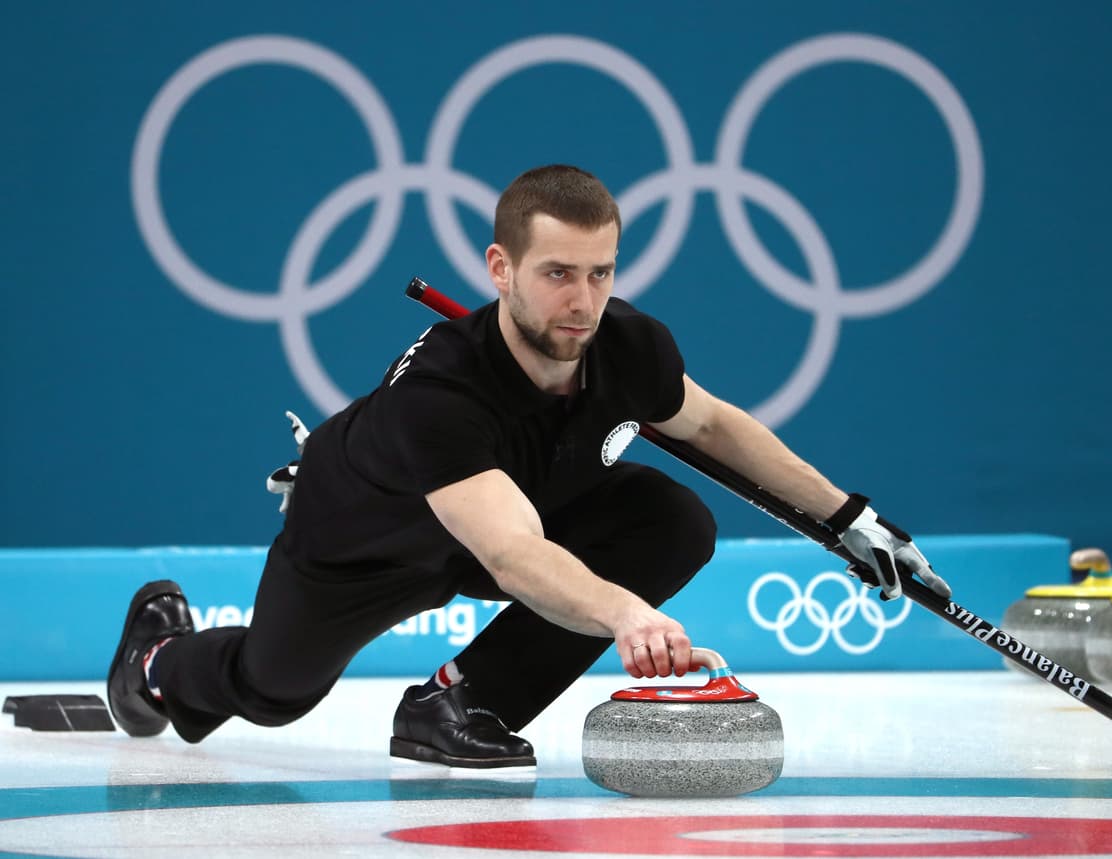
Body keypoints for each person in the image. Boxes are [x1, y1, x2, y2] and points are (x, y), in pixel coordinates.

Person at [107, 164, 951, 768]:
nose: (582, 302)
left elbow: (717, 427)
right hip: (365, 543)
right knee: (273, 690)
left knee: (674, 520)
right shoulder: (441, 389)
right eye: (556, 275)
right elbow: (512, 555)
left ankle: (461, 702)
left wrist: (850, 518)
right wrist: (627, 616)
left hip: (508, 523)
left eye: (600, 273)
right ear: (500, 269)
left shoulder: (627, 343)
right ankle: (155, 659)